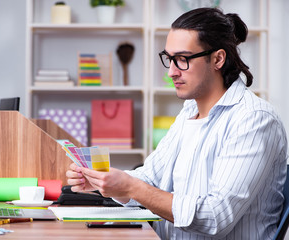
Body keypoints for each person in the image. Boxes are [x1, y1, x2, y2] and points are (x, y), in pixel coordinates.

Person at [66, 7, 288, 239]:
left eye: (182, 59)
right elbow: (151, 178)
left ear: (218, 59)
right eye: (169, 59)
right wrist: (104, 181)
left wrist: (132, 187)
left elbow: (215, 216)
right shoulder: (189, 112)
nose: (171, 71)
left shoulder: (254, 120)